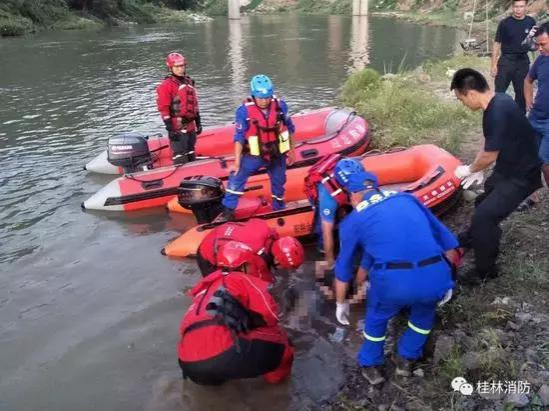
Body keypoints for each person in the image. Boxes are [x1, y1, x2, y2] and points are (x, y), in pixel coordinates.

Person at [331, 158, 459, 385]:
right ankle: (406, 361)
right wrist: (447, 279)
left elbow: (342, 270)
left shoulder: (354, 220)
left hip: (394, 285)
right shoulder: (409, 199)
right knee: (423, 313)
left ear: (354, 195)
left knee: (376, 319)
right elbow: (449, 243)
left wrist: (341, 303)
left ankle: (372, 366)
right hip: (435, 276)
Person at [451, 68, 542, 284]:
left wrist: (471, 168)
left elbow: (490, 155)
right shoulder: (496, 102)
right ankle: (470, 238)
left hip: (522, 176)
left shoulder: (497, 110)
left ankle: (485, 272)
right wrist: (479, 167)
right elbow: (490, 140)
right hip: (507, 169)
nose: (463, 104)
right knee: (483, 201)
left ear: (471, 93)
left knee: (485, 217)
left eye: (461, 99)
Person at [177, 241, 302, 386]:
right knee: (284, 344)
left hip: (187, 362)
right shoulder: (242, 278)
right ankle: (276, 391)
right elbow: (271, 316)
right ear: (243, 266)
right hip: (225, 353)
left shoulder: (204, 285)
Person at [220, 75, 295, 220]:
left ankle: (279, 208)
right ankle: (228, 210)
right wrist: (236, 162)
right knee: (236, 177)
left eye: (267, 97)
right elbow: (239, 137)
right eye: (260, 98)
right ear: (253, 95)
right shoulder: (243, 111)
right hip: (254, 155)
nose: (264, 101)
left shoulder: (281, 106)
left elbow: (290, 129)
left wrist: (291, 151)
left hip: (277, 153)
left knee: (279, 182)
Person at [195, 218, 304, 282]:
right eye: (283, 266)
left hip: (220, 232)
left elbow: (253, 222)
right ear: (276, 259)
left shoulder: (267, 231)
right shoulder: (257, 259)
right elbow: (260, 286)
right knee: (221, 287)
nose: (283, 269)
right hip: (207, 254)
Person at [156, 52, 203, 165]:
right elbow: (164, 108)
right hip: (177, 126)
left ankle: (194, 174)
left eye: (182, 66)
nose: (180, 69)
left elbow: (194, 104)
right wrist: (170, 129)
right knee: (180, 155)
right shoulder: (166, 85)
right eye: (177, 66)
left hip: (190, 125)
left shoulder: (189, 82)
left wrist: (198, 122)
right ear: (170, 68)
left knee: (191, 152)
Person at [491, 0, 537, 112]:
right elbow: (497, 43)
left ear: (526, 7)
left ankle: (518, 120)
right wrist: (493, 64)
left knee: (521, 94)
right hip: (506, 60)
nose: (518, 9)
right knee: (499, 92)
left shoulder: (531, 21)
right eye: (516, 6)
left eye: (521, 6)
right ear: (512, 7)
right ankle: (498, 117)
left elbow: (534, 43)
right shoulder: (504, 23)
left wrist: (536, 62)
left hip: (523, 61)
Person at [524, 23, 549, 189]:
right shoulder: (540, 60)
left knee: (544, 161)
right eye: (537, 44)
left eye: (543, 44)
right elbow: (528, 80)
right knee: (532, 159)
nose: (539, 48)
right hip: (535, 118)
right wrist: (528, 101)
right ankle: (533, 196)